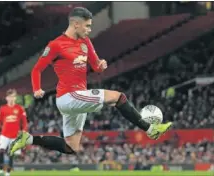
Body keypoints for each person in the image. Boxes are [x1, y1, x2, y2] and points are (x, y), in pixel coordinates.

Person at [9, 7, 172, 156]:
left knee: (70, 147)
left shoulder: (85, 42)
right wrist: (37, 88)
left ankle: (28, 139)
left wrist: (101, 66)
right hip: (69, 96)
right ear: (75, 24)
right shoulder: (56, 45)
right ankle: (150, 129)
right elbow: (37, 69)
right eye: (87, 26)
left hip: (77, 97)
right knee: (118, 97)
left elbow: (95, 65)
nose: (89, 30)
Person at [0, 89, 28, 176]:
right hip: (4, 134)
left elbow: (24, 122)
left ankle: (7, 173)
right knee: (1, 151)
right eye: (10, 97)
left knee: (11, 154)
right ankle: (1, 170)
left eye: (13, 97)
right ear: (6, 98)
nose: (12, 98)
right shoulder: (2, 108)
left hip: (15, 135)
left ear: (15, 98)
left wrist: (24, 131)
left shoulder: (20, 108)